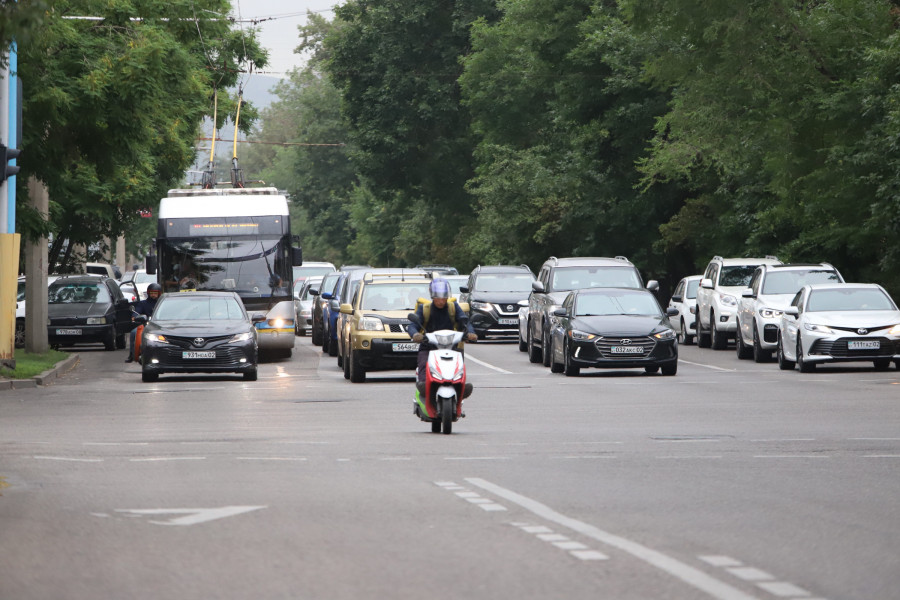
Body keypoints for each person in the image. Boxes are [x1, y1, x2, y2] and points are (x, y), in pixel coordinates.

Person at [407, 278, 477, 385]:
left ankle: (460, 387)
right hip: (429, 347)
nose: (441, 301)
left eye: (444, 298)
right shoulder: (424, 309)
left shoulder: (454, 307)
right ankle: (423, 387)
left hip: (451, 346)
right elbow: (413, 325)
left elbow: (465, 321)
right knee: (423, 367)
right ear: (432, 296)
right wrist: (415, 334)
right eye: (437, 298)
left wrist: (470, 333)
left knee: (458, 372)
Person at [125, 283, 161, 363]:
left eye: (155, 293)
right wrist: (134, 316)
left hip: (160, 326)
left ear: (159, 293)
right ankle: (132, 354)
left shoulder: (161, 303)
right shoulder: (143, 303)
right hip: (146, 324)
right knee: (133, 332)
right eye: (152, 293)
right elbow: (137, 311)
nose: (153, 295)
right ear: (148, 293)